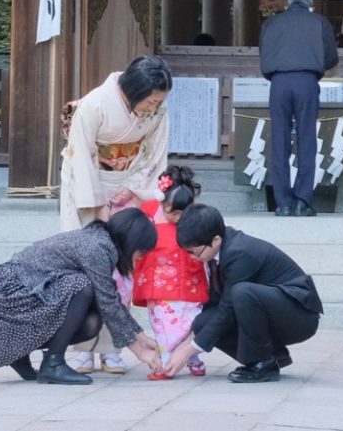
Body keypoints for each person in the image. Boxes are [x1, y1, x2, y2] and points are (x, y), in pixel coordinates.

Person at [58, 54, 173, 373]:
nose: (154, 107)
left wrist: (135, 187)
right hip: (87, 186)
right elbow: (80, 158)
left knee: (122, 269)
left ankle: (112, 348)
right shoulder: (94, 105)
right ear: (136, 90)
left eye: (158, 101)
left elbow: (154, 152)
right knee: (86, 266)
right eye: (150, 100)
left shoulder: (157, 110)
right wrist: (97, 206)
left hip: (128, 184)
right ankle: (82, 347)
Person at [0, 207, 163, 385]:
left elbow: (110, 297)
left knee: (92, 321)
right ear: (132, 241)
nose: (140, 257)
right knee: (83, 286)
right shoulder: (96, 247)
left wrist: (140, 336)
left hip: (16, 297)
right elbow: (107, 303)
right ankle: (53, 363)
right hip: (8, 297)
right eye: (142, 251)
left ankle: (19, 354)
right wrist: (140, 351)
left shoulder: (100, 241)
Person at [158, 203, 323, 384]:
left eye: (195, 253)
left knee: (242, 293)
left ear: (215, 240)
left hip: (299, 316)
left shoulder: (240, 253)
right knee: (203, 322)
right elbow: (215, 304)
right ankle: (268, 358)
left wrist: (189, 350)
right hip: (270, 309)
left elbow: (227, 309)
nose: (193, 258)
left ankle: (263, 363)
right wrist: (182, 344)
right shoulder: (216, 252)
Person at [258, 0, 339, 216]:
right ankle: (303, 201)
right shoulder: (319, 22)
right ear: (310, 6)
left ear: (288, 5)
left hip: (279, 82)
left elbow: (263, 56)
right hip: (307, 81)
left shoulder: (272, 23)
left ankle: (283, 203)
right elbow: (331, 57)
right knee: (306, 139)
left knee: (279, 141)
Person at [132, 165, 211, 380]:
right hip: (159, 285)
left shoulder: (197, 217)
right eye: (171, 211)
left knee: (189, 322)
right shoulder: (149, 212)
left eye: (181, 212)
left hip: (189, 280)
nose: (177, 217)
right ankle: (174, 359)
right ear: (161, 202)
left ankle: (179, 359)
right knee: (164, 324)